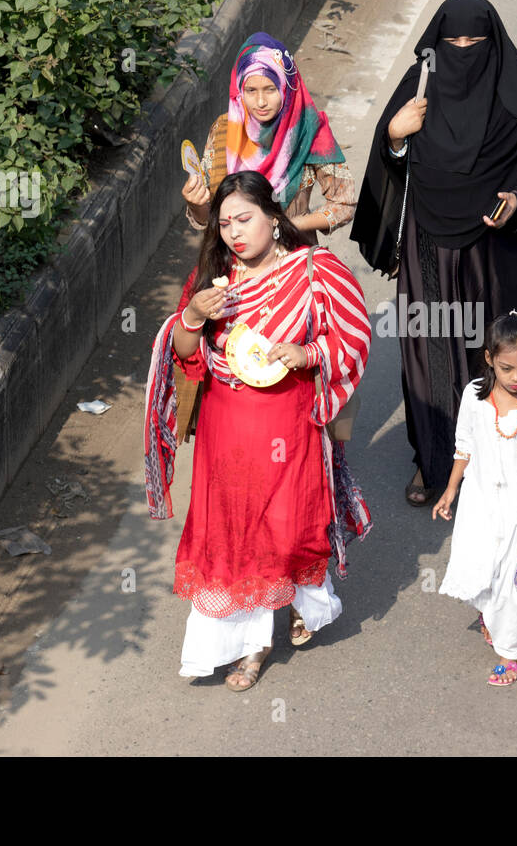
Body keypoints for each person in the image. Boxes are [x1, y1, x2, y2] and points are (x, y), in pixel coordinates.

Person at [144, 170, 372, 691]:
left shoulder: (314, 271)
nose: (233, 233)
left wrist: (308, 352)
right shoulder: (213, 276)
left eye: (244, 219)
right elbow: (183, 353)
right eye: (223, 223)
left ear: (274, 217)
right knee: (230, 534)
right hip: (226, 429)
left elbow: (355, 336)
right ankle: (252, 646)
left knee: (284, 527)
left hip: (287, 426)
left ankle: (283, 608)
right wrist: (195, 318)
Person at [351, 0, 517, 506]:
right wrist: (395, 137)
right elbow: (391, 161)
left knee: (487, 353)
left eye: (475, 42)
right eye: (453, 42)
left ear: (493, 44)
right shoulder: (419, 88)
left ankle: (500, 458)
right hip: (428, 246)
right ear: (437, 45)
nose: (464, 51)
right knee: (428, 353)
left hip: (490, 250)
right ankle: (433, 461)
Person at [432, 314, 517, 686]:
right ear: (489, 359)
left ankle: (512, 652)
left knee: (511, 582)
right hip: (479, 502)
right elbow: (464, 447)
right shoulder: (474, 396)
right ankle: (493, 617)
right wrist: (450, 490)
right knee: (483, 568)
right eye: (507, 368)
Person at [182, 32, 356, 243]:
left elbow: (344, 204)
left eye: (270, 89)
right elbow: (209, 218)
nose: (261, 101)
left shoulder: (309, 131)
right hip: (234, 264)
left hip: (291, 259)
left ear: (287, 87)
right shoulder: (224, 130)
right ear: (239, 90)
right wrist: (195, 204)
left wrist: (290, 225)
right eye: (251, 90)